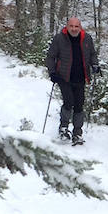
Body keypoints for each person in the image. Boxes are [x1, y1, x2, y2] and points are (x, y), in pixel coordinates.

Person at [45, 16, 98, 144]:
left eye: (76, 26)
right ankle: (63, 128)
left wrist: (95, 65)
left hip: (80, 77)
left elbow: (92, 54)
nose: (74, 29)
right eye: (71, 26)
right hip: (64, 77)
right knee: (68, 102)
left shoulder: (87, 39)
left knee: (79, 105)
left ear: (80, 27)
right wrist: (52, 72)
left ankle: (77, 133)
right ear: (67, 27)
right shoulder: (59, 39)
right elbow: (50, 57)